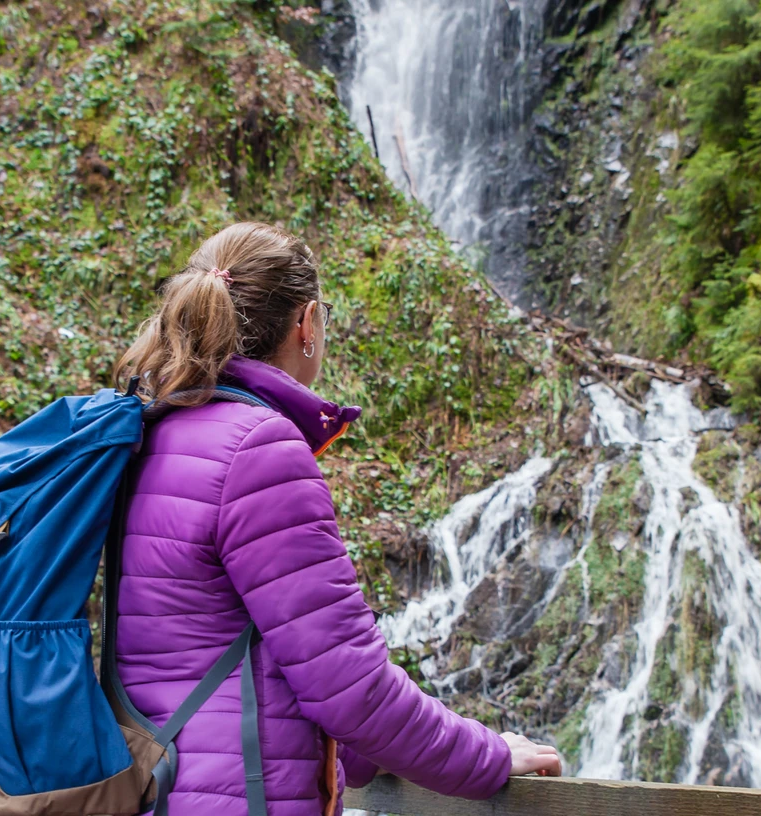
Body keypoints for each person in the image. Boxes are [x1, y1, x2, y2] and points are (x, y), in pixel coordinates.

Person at [111, 221, 561, 816]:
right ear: (308, 324)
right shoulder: (257, 452)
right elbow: (352, 691)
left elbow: (220, 658)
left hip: (155, 788)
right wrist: (489, 756)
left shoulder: (149, 431)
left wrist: (369, 752)